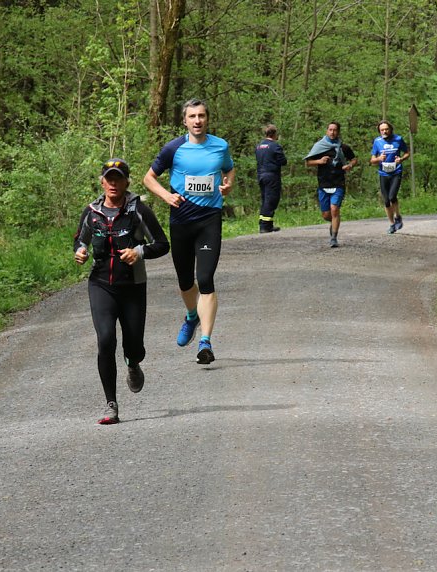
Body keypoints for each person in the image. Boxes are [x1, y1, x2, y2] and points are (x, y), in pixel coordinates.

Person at [74, 158, 169, 424]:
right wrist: (80, 252)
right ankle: (111, 404)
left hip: (133, 287)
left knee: (134, 346)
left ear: (127, 182)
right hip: (101, 284)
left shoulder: (139, 210)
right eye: (109, 178)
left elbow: (162, 244)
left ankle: (133, 363)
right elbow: (79, 241)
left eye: (119, 178)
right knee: (105, 340)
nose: (113, 183)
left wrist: (138, 251)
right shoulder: (91, 212)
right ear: (102, 181)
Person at [142, 98, 235, 365]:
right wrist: (165, 196)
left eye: (202, 116)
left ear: (207, 119)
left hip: (209, 220)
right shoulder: (173, 148)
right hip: (181, 221)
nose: (197, 120)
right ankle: (192, 316)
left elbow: (229, 170)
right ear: (185, 121)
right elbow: (149, 178)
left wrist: (227, 186)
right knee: (185, 281)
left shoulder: (220, 146)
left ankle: (205, 342)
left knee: (205, 279)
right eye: (192, 116)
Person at [304, 121, 358, 248]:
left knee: (334, 209)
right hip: (323, 183)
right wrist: (319, 161)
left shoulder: (344, 148)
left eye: (335, 130)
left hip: (338, 182)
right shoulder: (320, 146)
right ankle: (334, 221)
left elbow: (354, 159)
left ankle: (334, 238)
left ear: (338, 132)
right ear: (327, 131)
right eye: (330, 130)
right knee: (326, 215)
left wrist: (350, 165)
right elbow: (308, 162)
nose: (332, 132)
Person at [369, 120, 411, 234]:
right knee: (386, 200)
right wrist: (378, 159)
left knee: (393, 196)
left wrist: (401, 159)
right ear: (379, 131)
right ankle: (392, 224)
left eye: (386, 129)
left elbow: (407, 152)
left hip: (396, 172)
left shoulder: (398, 139)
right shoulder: (377, 141)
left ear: (390, 129)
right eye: (382, 130)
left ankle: (398, 216)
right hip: (383, 173)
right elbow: (372, 160)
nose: (384, 131)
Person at [255, 124, 288, 233]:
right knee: (271, 199)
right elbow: (283, 161)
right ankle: (265, 226)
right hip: (272, 176)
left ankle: (265, 224)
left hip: (260, 175)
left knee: (265, 199)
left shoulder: (259, 146)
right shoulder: (275, 146)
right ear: (274, 134)